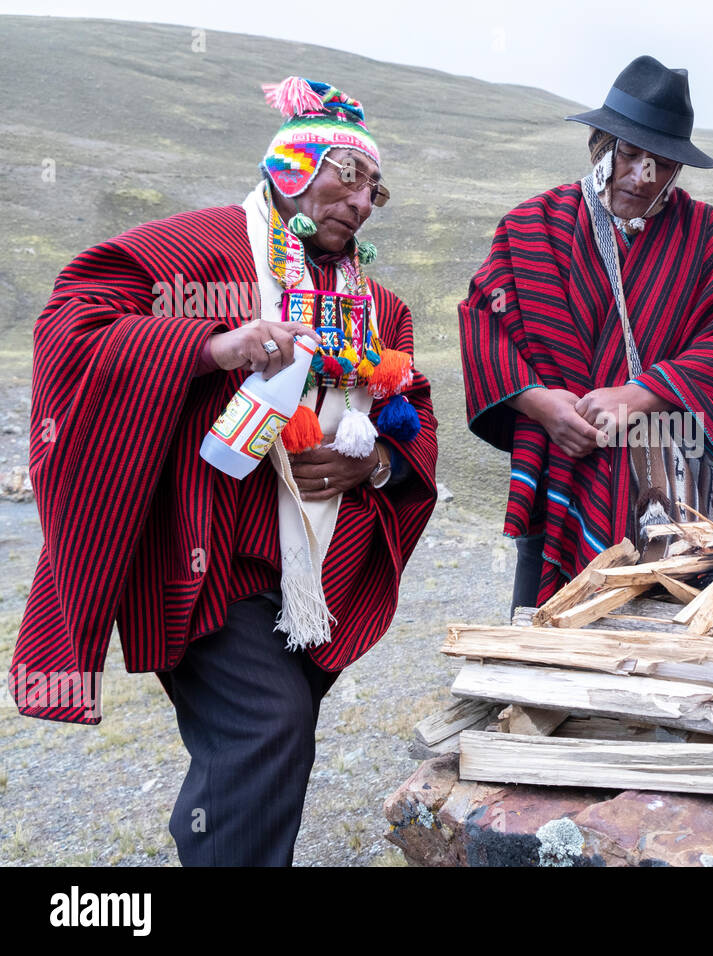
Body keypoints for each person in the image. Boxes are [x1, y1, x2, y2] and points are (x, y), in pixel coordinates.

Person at [7, 77, 439, 864]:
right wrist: (212, 346)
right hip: (207, 556)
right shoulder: (205, 247)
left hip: (312, 574)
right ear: (292, 167)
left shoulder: (377, 307)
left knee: (268, 739)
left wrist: (372, 466)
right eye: (348, 175)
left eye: (376, 188)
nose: (365, 200)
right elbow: (74, 319)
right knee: (267, 727)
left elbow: (417, 418)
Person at [459, 55, 713, 608]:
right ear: (599, 145)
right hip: (563, 470)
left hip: (669, 502)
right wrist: (541, 406)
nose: (642, 176)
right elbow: (486, 322)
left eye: (661, 162)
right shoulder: (534, 225)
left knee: (657, 649)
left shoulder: (709, 238)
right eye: (629, 154)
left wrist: (644, 393)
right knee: (544, 640)